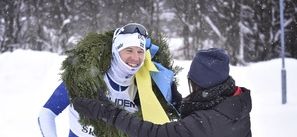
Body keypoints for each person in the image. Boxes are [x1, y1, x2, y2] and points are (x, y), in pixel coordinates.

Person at [37, 23, 182, 137]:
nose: (135, 58)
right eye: (128, 51)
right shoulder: (85, 78)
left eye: (140, 52)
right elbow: (47, 112)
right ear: (116, 51)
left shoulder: (144, 87)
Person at [73, 48, 252, 137]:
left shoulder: (205, 124)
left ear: (200, 84)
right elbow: (206, 116)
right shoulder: (235, 104)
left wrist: (108, 113)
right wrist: (175, 100)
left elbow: (154, 134)